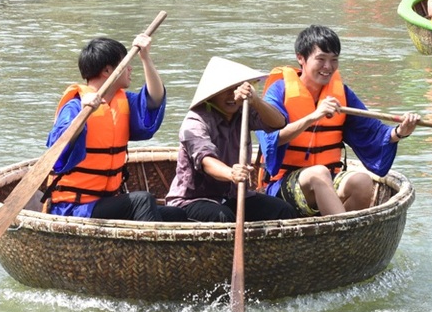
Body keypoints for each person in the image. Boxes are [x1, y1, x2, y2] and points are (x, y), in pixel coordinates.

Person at [256, 25, 420, 217]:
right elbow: (270, 139)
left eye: (334, 60)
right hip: (283, 186)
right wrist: (314, 116)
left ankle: (336, 230)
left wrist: (401, 131)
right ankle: (342, 232)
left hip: (328, 178)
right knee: (318, 173)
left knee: (362, 182)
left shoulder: (342, 94)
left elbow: (372, 132)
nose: (328, 67)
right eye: (321, 59)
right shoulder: (278, 92)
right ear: (300, 58)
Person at [46, 35, 173, 222]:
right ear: (107, 70)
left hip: (108, 201)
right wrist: (84, 114)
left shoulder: (124, 101)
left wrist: (146, 57)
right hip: (75, 206)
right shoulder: (75, 106)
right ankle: (150, 251)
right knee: (142, 200)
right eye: (126, 64)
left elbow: (154, 100)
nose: (130, 69)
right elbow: (58, 147)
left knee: (176, 214)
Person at [166, 57, 296, 223]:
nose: (232, 96)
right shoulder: (196, 121)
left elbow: (278, 122)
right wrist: (231, 173)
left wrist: (255, 101)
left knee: (282, 210)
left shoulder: (244, 111)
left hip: (234, 195)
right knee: (222, 217)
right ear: (212, 94)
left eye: (236, 89)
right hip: (193, 200)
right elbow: (206, 160)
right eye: (225, 90)